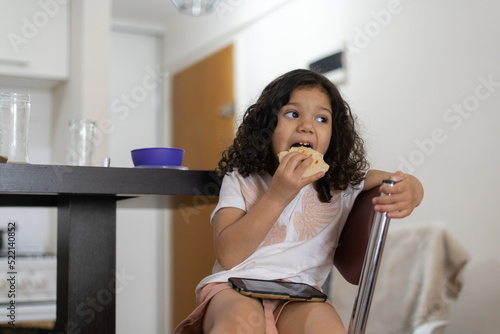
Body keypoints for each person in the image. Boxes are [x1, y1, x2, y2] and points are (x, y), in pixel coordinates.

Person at [174, 69, 424, 334]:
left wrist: (413, 190)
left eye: (321, 118)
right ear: (267, 126)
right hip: (234, 286)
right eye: (292, 114)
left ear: (334, 135)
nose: (307, 125)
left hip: (300, 294)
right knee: (239, 322)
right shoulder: (243, 178)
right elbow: (229, 255)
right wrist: (278, 194)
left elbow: (398, 180)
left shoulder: (342, 183)